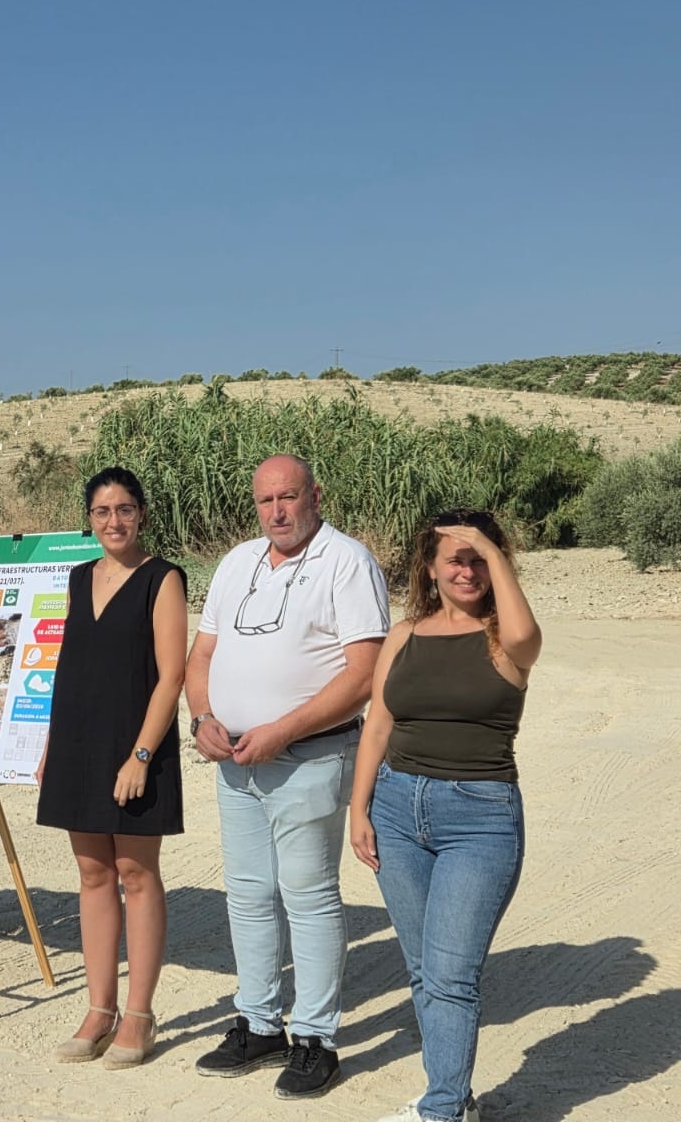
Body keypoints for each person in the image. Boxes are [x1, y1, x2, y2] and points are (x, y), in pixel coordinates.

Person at [185, 454, 390, 1099]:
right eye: (266, 500)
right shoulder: (236, 562)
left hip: (310, 757)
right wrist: (202, 717)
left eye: (289, 497)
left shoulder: (346, 561)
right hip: (236, 760)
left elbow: (364, 673)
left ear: (314, 495)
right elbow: (203, 654)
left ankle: (315, 1037)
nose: (277, 511)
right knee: (246, 894)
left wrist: (284, 729)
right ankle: (258, 1019)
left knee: (308, 895)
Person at [350, 512, 540, 1122]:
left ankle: (442, 1110)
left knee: (453, 974)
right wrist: (359, 808)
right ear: (429, 567)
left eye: (479, 558)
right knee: (424, 970)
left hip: (478, 818)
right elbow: (379, 721)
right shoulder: (404, 635)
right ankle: (452, 1098)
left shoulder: (506, 638)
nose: (467, 569)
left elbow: (525, 633)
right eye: (453, 558)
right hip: (397, 810)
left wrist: (486, 543)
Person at [35, 467, 187, 1068]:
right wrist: (53, 744)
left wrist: (142, 756)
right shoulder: (77, 579)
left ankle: (140, 1015)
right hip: (78, 744)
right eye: (102, 511)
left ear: (142, 514)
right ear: (90, 518)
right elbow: (69, 669)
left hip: (136, 748)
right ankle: (100, 1008)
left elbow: (170, 675)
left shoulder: (162, 579)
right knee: (92, 873)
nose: (113, 522)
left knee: (136, 873)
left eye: (125, 509)